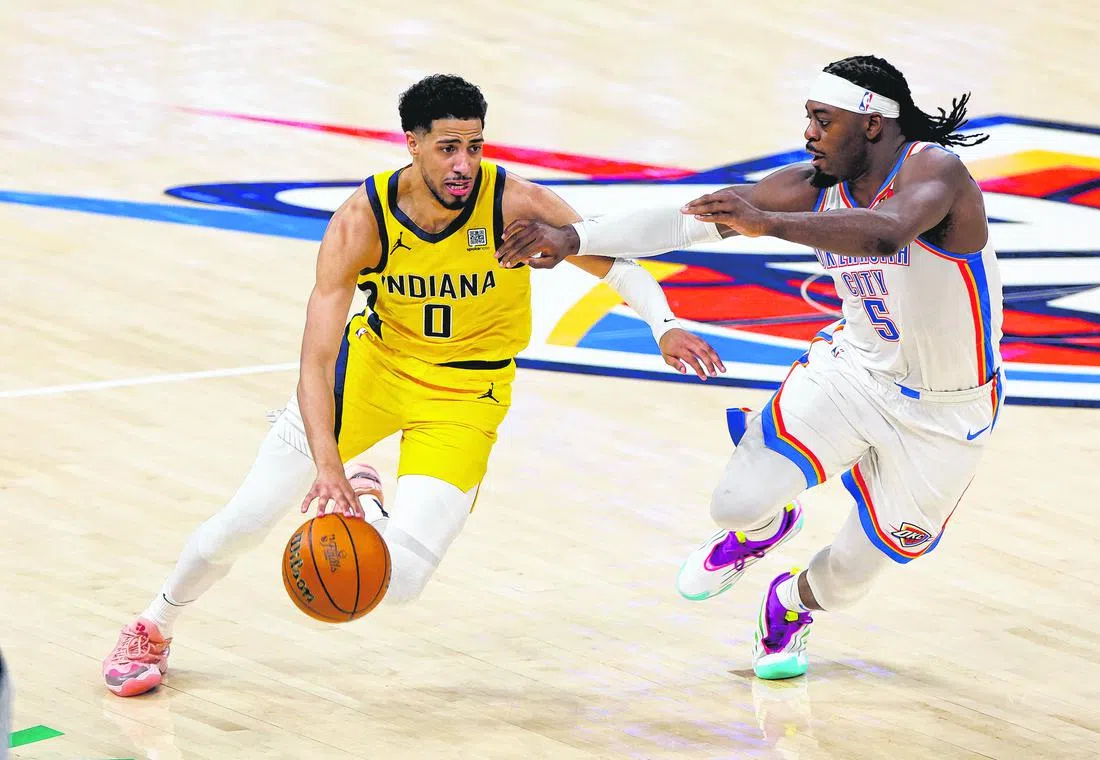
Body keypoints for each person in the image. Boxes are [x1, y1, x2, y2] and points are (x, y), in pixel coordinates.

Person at [102, 74, 725, 697]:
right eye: (448, 147)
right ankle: (153, 625)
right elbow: (317, 359)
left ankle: (370, 499)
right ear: (412, 144)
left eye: (475, 146)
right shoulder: (361, 220)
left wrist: (664, 325)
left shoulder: (515, 203)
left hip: (465, 399)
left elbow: (613, 258)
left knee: (395, 584)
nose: (464, 164)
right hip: (372, 373)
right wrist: (327, 467)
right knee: (242, 521)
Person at [496, 55, 1002, 680]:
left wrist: (768, 224)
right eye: (808, 119)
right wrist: (576, 240)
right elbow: (689, 221)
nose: (809, 134)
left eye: (823, 120)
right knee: (734, 504)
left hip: (947, 410)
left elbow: (886, 235)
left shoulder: (936, 170)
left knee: (850, 578)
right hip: (853, 373)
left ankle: (789, 605)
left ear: (872, 124)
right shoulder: (809, 186)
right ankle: (765, 523)